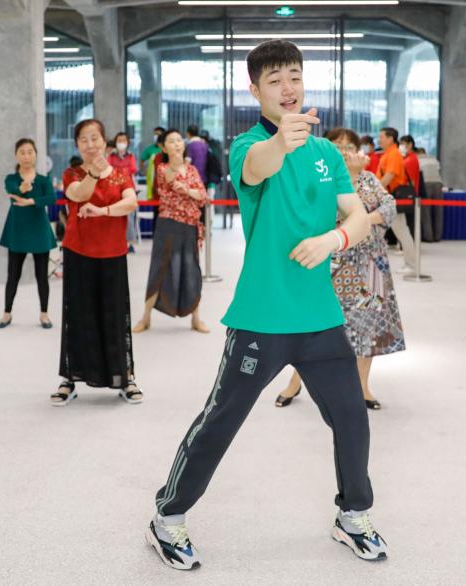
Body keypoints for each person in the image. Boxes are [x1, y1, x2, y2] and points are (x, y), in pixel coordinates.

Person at [147, 40, 384, 571]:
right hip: (261, 318)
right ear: (255, 90)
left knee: (351, 417)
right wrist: (282, 138)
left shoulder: (326, 154)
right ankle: (167, 516)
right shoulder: (248, 146)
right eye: (275, 80)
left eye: (294, 76)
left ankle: (353, 515)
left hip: (320, 317)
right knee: (222, 420)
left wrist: (334, 239)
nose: (288, 87)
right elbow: (257, 168)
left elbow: (359, 216)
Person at [275, 126, 404, 410]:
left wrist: (363, 218)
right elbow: (326, 216)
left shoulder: (369, 178)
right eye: (338, 145)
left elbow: (389, 207)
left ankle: (363, 386)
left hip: (370, 263)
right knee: (315, 325)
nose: (345, 152)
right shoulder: (321, 178)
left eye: (350, 146)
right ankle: (295, 381)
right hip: (331, 263)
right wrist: (361, 214)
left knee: (369, 323)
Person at [50, 119, 142, 407]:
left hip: (113, 253)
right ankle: (69, 378)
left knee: (115, 316)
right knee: (77, 316)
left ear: (105, 141)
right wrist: (93, 172)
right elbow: (79, 194)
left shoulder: (121, 174)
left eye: (95, 138)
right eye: (84, 140)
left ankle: (125, 377)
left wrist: (102, 211)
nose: (90, 145)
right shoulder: (71, 173)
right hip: (78, 252)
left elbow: (131, 203)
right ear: (77, 145)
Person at [133, 129, 210, 334]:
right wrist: (189, 190)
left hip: (190, 226)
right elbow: (171, 181)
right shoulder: (162, 168)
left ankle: (196, 318)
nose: (176, 144)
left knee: (192, 271)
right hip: (168, 226)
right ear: (164, 148)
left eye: (178, 140)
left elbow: (202, 195)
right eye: (171, 141)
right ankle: (145, 318)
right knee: (158, 270)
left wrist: (189, 191)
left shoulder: (192, 169)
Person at [0, 138, 57, 330]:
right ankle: (6, 313)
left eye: (30, 152)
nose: (26, 156)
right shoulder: (11, 179)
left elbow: (51, 198)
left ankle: (44, 314)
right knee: (12, 275)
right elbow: (12, 191)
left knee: (42, 276)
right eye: (22, 152)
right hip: (18, 231)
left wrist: (31, 201)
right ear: (16, 155)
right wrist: (22, 189)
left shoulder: (43, 180)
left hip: (39, 231)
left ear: (36, 155)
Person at [376, 127, 416, 271]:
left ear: (390, 138)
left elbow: (389, 176)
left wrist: (374, 190)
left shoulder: (393, 153)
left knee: (402, 232)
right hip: (386, 199)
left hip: (391, 199)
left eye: (381, 137)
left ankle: (411, 264)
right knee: (379, 233)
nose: (379, 140)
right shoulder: (389, 153)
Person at [107, 131, 140, 250]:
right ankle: (115, 241)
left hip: (128, 189)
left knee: (129, 217)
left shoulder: (131, 156)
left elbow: (133, 170)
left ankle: (129, 243)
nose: (121, 143)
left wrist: (121, 169)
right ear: (115, 142)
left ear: (128, 143)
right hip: (114, 188)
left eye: (124, 141)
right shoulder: (111, 156)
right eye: (119, 141)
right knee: (114, 216)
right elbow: (108, 169)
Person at [419, 147, 444, 242]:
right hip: (438, 183)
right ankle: (438, 236)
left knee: (426, 211)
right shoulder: (434, 159)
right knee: (438, 211)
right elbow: (438, 169)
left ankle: (428, 236)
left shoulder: (417, 159)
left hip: (426, 183)